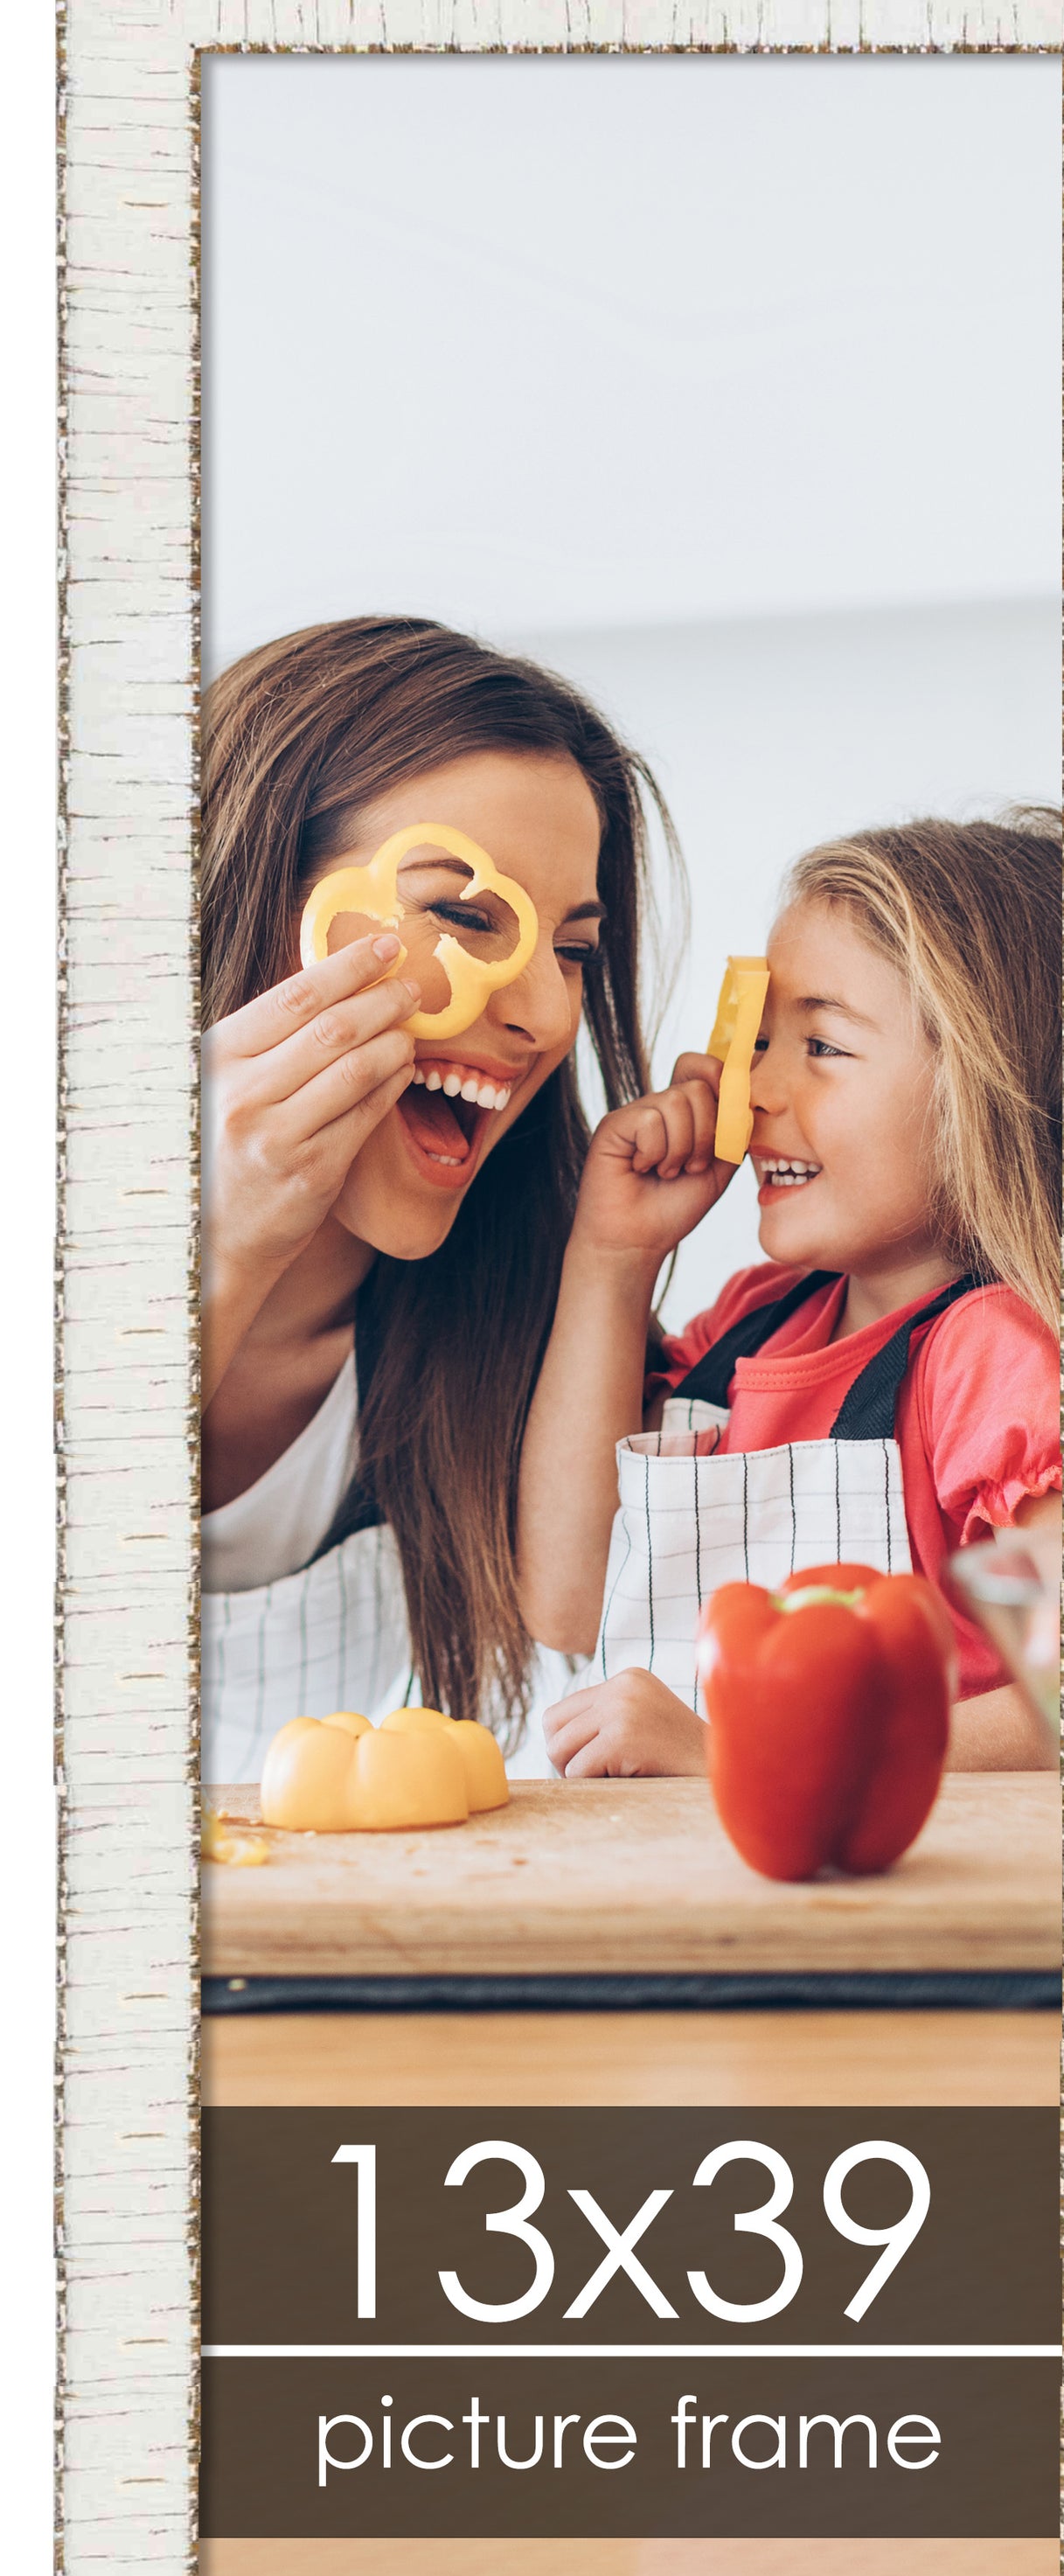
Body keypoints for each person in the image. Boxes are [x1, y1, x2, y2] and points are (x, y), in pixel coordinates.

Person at [200, 615, 677, 1783]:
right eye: (465, 916)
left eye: (572, 949)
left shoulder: (539, 1324)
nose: (547, 1018)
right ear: (261, 900)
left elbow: (582, 1646)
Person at [518, 812, 1062, 1778]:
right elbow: (569, 1600)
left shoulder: (986, 1363)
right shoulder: (750, 1328)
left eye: (820, 1045)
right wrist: (611, 1255)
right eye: (761, 1040)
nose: (752, 1089)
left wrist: (742, 1753)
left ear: (985, 1085)